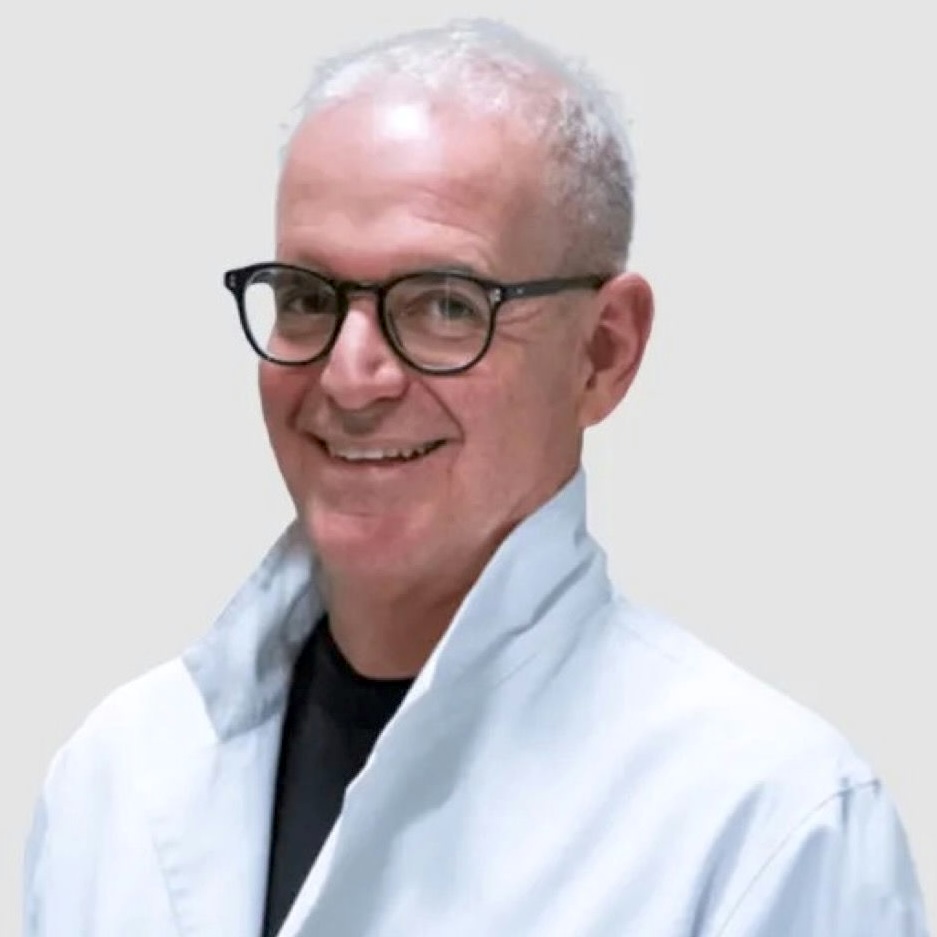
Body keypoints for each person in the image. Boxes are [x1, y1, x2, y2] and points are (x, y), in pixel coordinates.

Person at [23, 17, 929, 937]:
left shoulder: (769, 819)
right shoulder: (114, 777)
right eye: (306, 298)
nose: (350, 376)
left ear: (603, 352)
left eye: (445, 306)